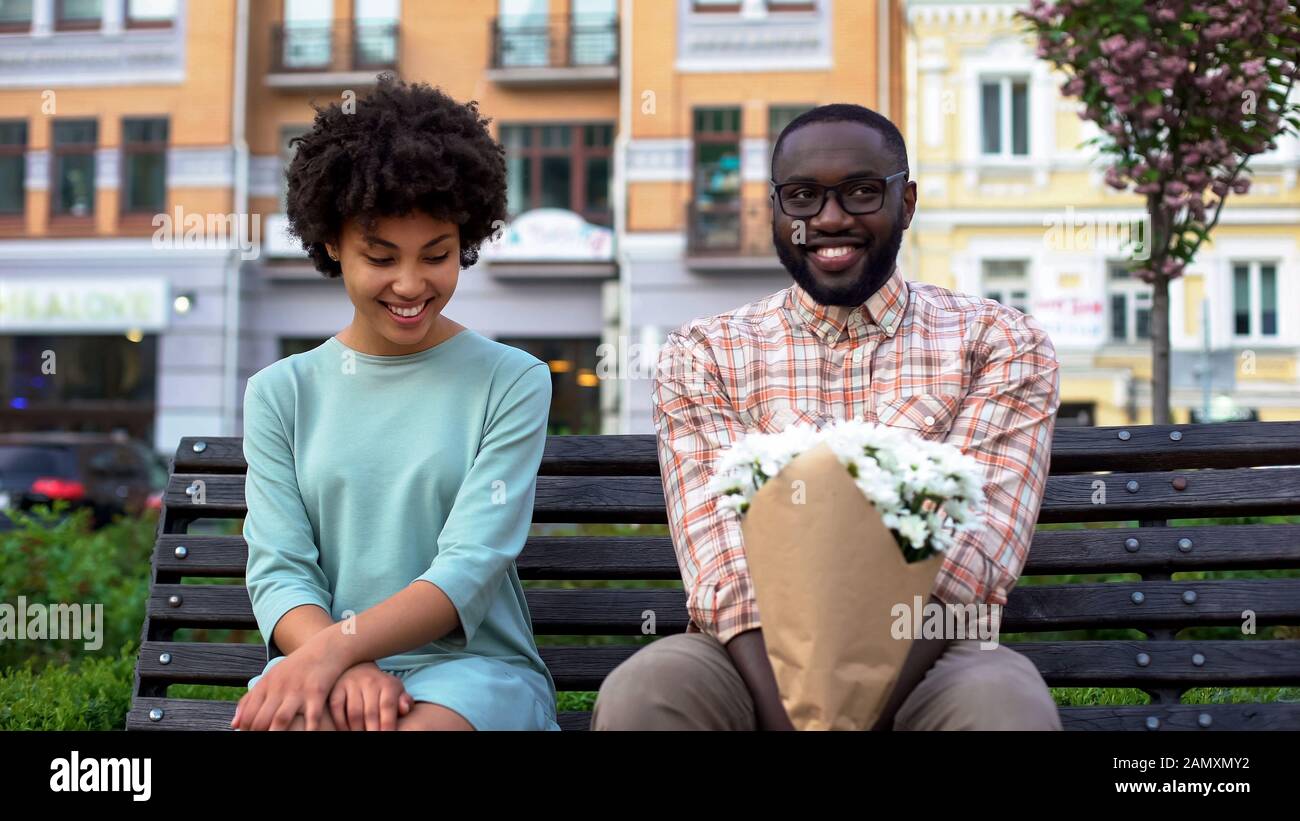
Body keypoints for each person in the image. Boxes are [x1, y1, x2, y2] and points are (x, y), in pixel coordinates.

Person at [593, 103, 1063, 731]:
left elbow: (970, 553)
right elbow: (722, 561)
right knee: (648, 690)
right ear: (776, 210)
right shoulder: (705, 351)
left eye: (862, 192)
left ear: (908, 202)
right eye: (803, 197)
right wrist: (801, 718)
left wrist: (852, 710)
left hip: (936, 659)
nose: (831, 218)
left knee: (1003, 706)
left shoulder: (999, 341)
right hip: (747, 659)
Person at [232, 75, 559, 731]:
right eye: (380, 256)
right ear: (331, 243)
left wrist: (338, 653)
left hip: (472, 671)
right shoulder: (281, 393)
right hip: (320, 659)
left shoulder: (513, 380)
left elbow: (468, 569)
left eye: (436, 255)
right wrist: (341, 663)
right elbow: (281, 570)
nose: (411, 285)